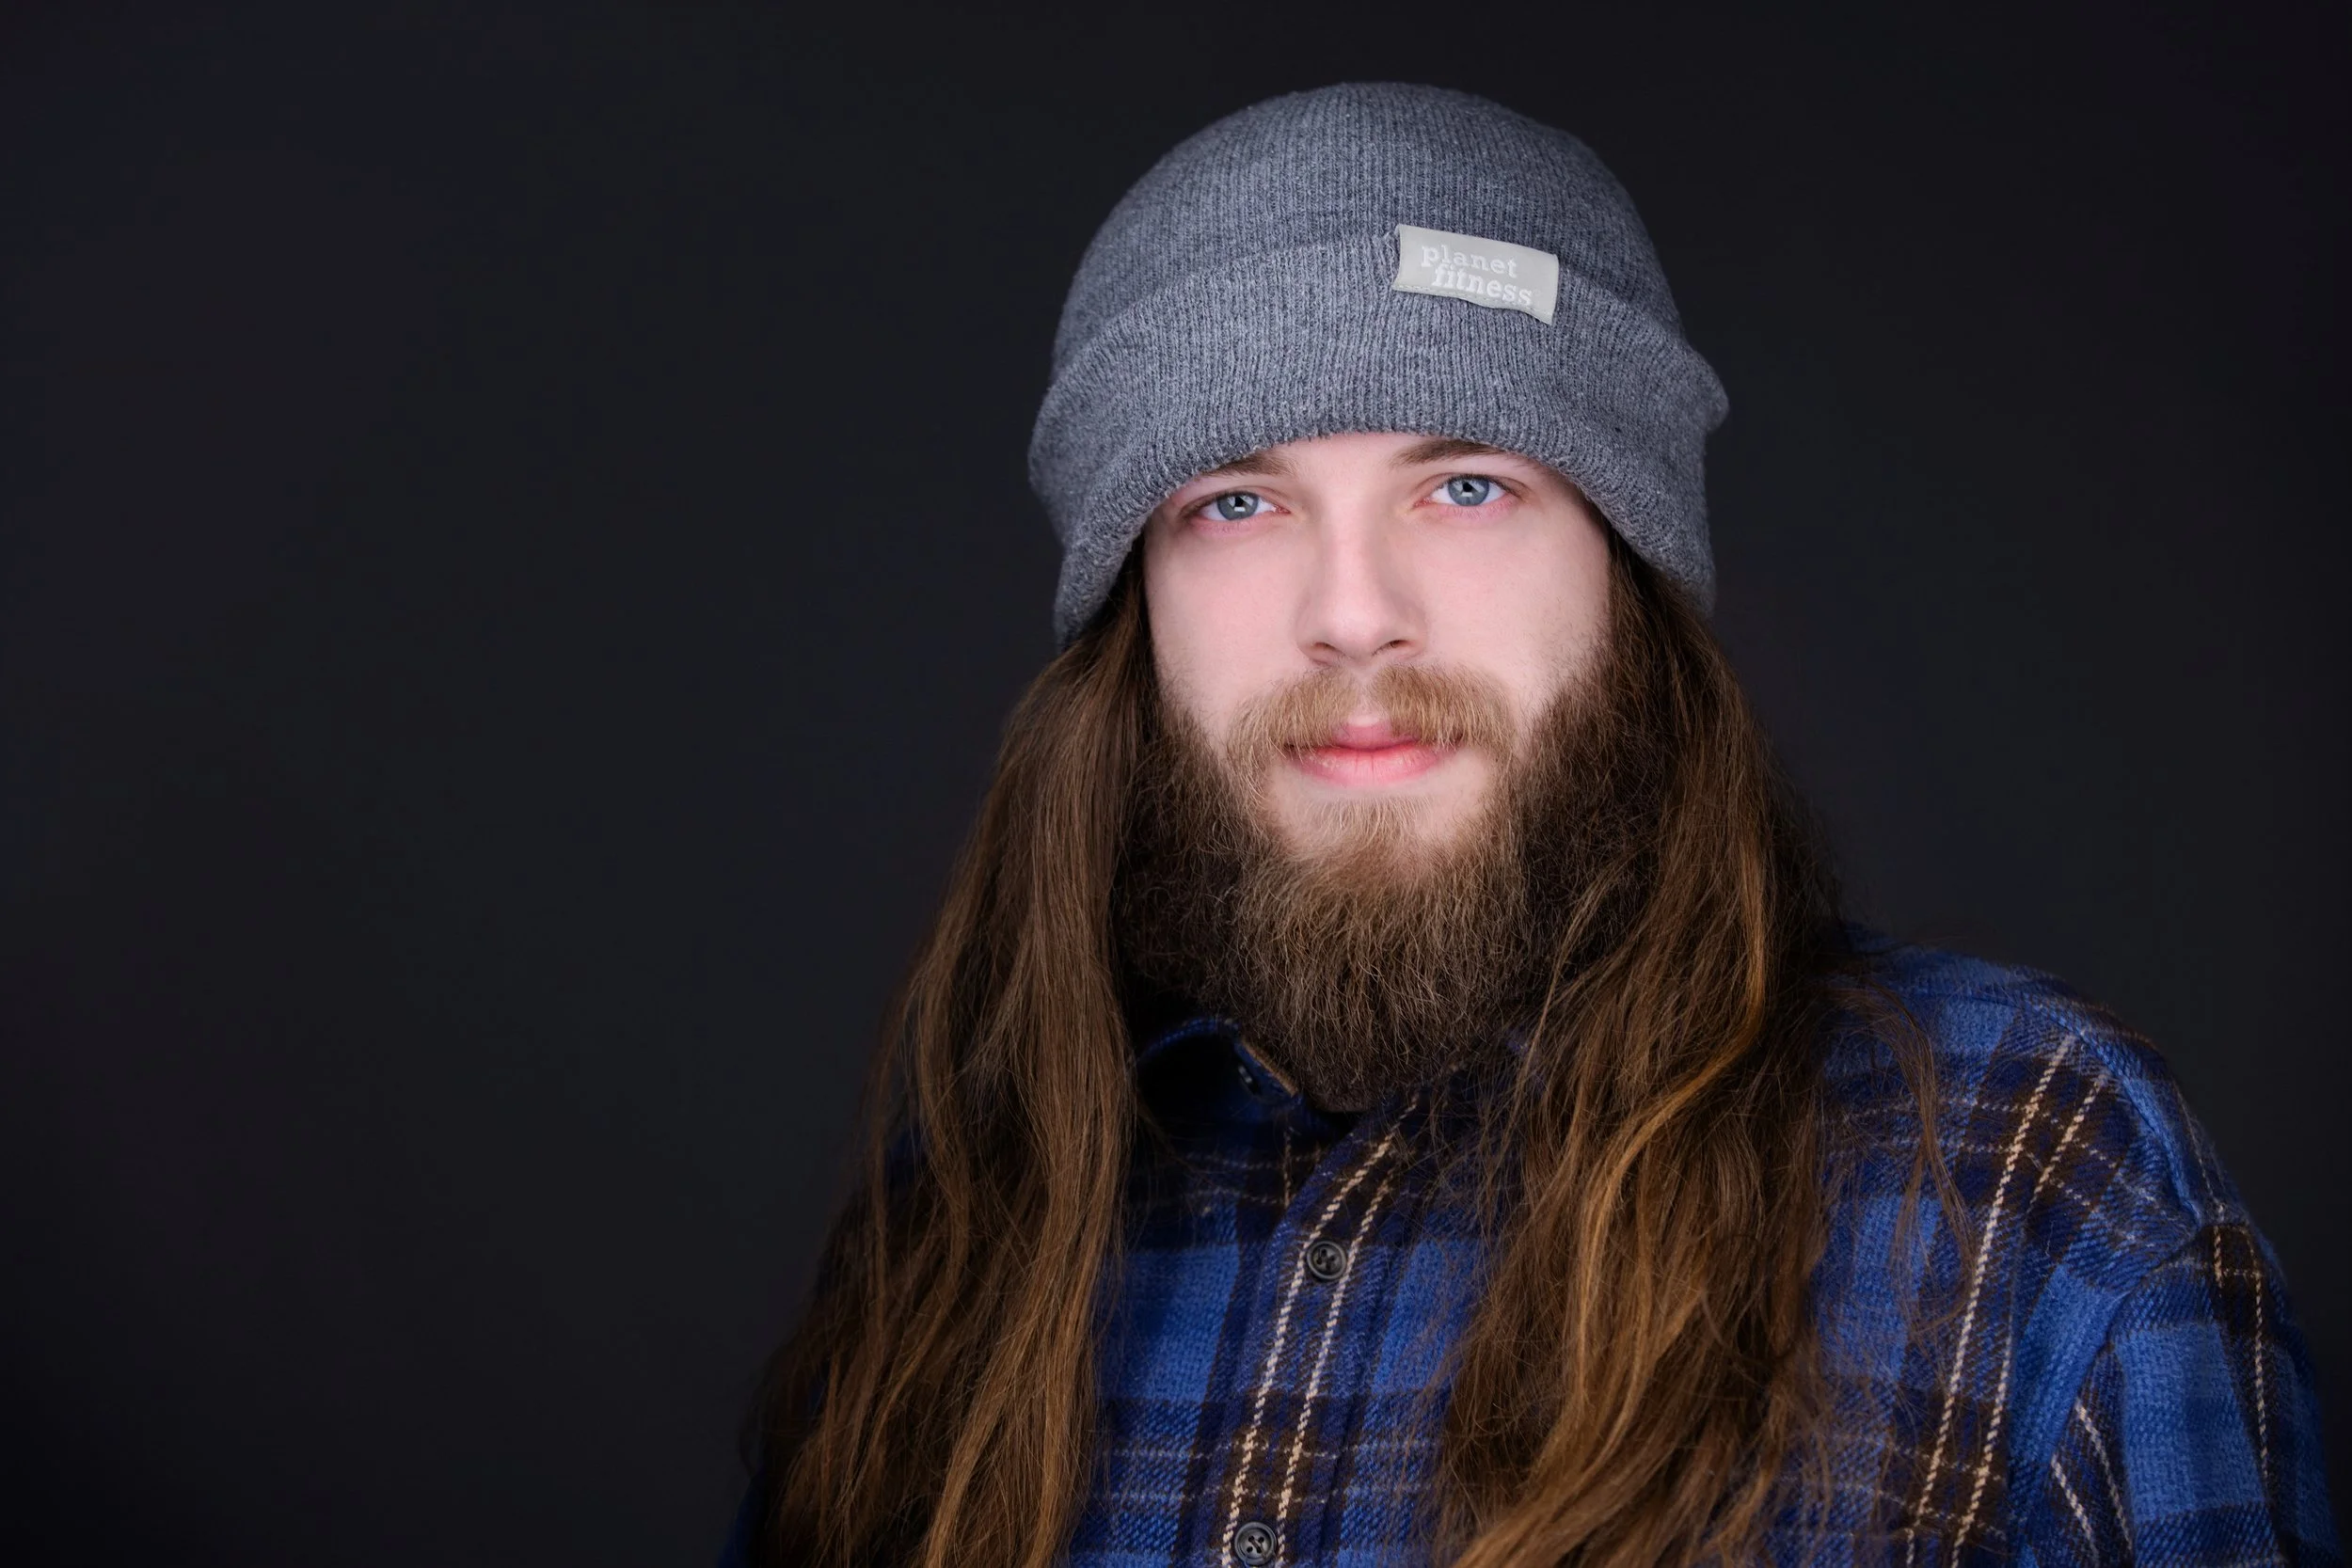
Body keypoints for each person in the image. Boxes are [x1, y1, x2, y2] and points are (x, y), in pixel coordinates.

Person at [724, 85, 2335, 1568]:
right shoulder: (970, 1228)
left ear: (1627, 571)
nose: (1353, 616)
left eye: (1468, 483)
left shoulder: (2021, 1184)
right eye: (1235, 500)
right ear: (1131, 613)